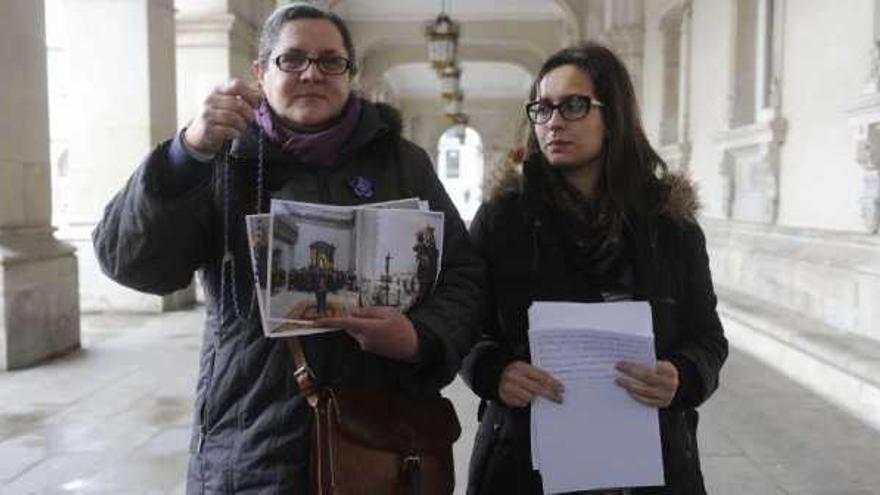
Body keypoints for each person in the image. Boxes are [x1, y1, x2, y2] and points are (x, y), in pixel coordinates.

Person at [92, 3, 484, 493]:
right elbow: (134, 264)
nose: (311, 73)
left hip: (382, 439)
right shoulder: (222, 158)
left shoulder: (403, 163)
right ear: (260, 72)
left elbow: (463, 274)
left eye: (330, 61)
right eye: (292, 59)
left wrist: (420, 336)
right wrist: (185, 154)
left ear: (351, 75)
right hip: (251, 443)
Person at [460, 42, 728, 495]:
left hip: (652, 462)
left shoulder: (670, 222)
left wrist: (682, 376)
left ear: (614, 114)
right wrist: (494, 371)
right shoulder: (503, 218)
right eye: (542, 109)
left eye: (574, 105)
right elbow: (463, 325)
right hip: (522, 461)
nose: (554, 121)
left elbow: (707, 337)